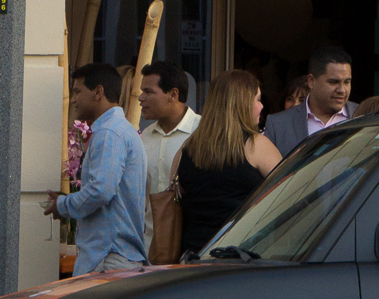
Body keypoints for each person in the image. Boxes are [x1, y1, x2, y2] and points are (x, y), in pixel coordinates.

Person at [43, 63, 148, 275]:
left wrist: (63, 205)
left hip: (107, 257)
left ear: (98, 92)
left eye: (77, 91)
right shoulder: (120, 129)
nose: (73, 99)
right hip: (114, 256)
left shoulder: (109, 132)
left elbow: (101, 190)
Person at [173, 69, 280, 254]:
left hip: (193, 256)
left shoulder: (187, 148)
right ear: (242, 103)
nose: (261, 106)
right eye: (257, 99)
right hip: (243, 256)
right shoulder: (256, 145)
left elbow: (177, 195)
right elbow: (289, 192)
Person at [137, 59, 199, 248]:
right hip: (150, 248)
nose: (141, 98)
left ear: (173, 94)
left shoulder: (202, 132)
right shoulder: (145, 137)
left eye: (148, 92)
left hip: (192, 246)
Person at [263, 45, 353, 156]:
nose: (342, 90)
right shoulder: (279, 125)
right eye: (333, 82)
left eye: (347, 82)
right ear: (311, 81)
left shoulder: (364, 115)